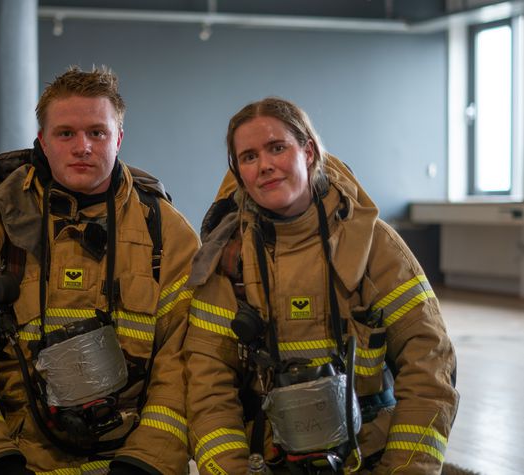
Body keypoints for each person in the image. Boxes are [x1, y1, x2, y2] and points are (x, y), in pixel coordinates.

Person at [0, 66, 199, 475]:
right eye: (66, 133)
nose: (82, 147)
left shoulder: (168, 235)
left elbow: (185, 364)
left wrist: (145, 462)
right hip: (20, 458)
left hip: (128, 458)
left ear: (119, 139)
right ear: (42, 142)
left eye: (97, 132)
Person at [185, 97, 458, 474]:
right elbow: (207, 381)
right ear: (239, 171)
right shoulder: (228, 257)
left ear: (308, 151)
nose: (264, 165)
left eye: (277, 148)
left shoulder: (374, 245)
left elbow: (430, 362)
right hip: (269, 458)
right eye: (248, 157)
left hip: (369, 455)